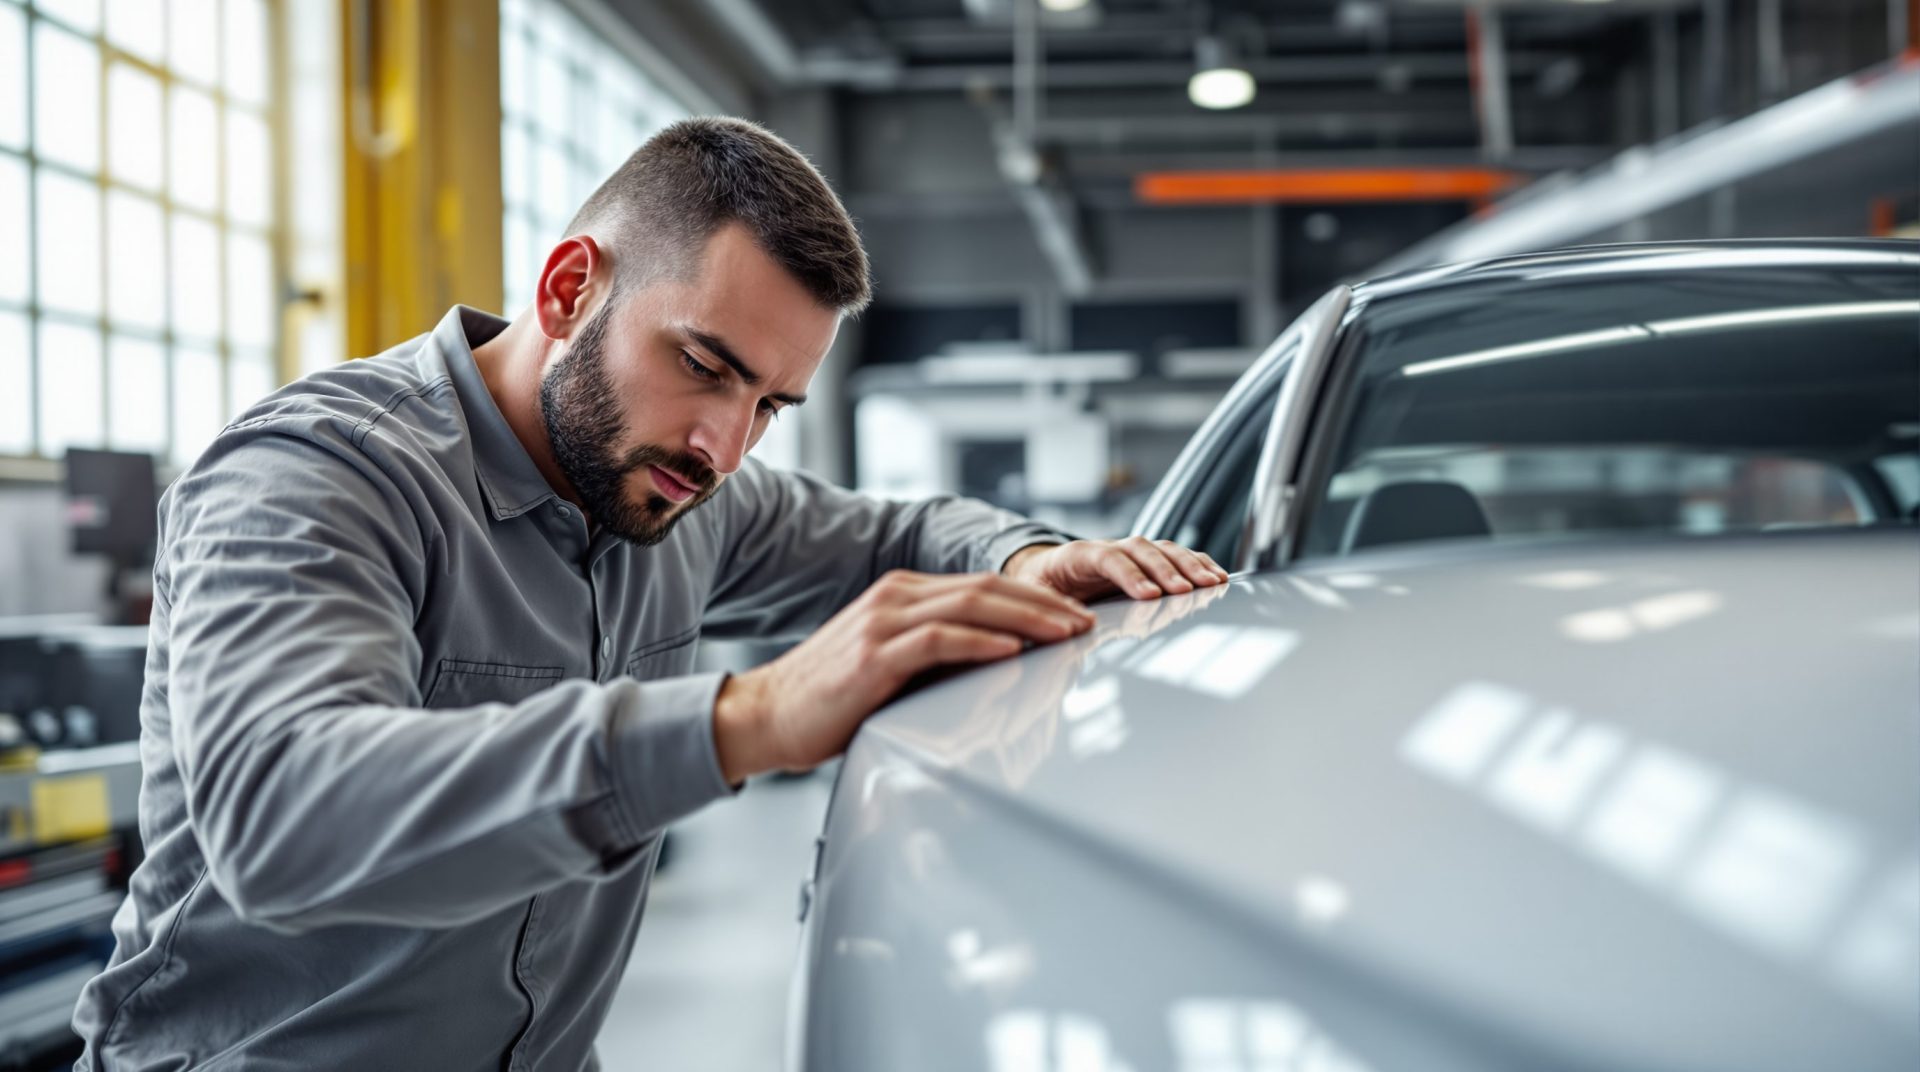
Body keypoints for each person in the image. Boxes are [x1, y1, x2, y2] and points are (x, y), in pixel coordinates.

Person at [71, 117, 1227, 1070]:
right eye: (706, 366)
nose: (726, 445)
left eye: (771, 404)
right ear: (571, 288)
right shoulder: (318, 476)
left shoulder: (677, 493)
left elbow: (907, 532)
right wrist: (744, 719)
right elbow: (282, 816)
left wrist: (1025, 555)